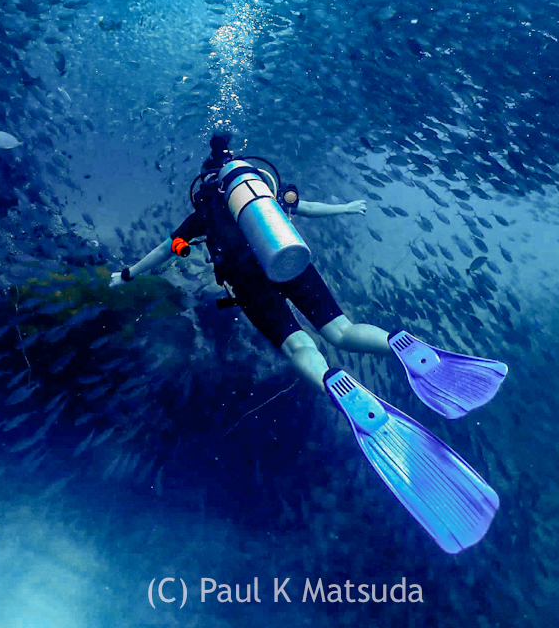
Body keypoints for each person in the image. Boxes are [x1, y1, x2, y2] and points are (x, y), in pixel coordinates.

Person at [110, 133, 508, 554]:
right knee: (342, 331)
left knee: (300, 348)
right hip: (291, 260)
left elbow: (166, 250)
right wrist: (346, 208)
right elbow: (307, 207)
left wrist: (130, 274)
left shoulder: (204, 212)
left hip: (249, 281)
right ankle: (398, 343)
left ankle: (339, 387)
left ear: (207, 183)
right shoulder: (262, 193)